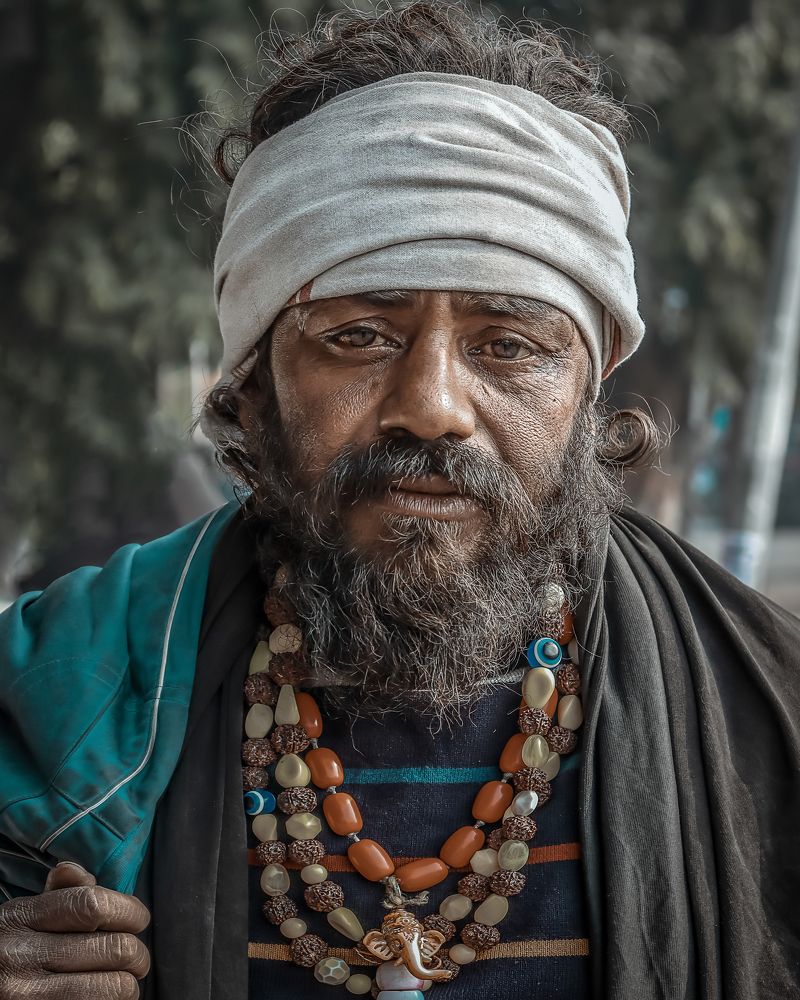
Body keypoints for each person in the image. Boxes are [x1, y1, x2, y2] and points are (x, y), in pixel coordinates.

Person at [1, 4, 798, 999]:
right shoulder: (51, 701)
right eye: (358, 336)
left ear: (588, 394)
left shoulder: (768, 712)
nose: (430, 408)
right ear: (253, 385)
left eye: (506, 345)